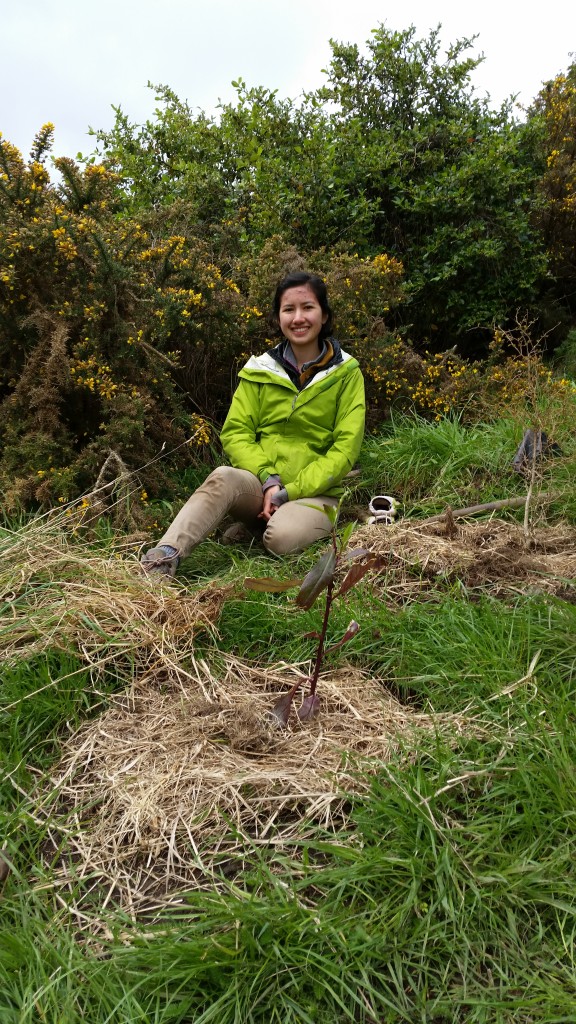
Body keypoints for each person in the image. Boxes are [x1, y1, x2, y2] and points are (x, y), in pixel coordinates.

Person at [141, 271, 366, 577]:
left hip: (317, 492)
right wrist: (269, 480)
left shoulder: (347, 373)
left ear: (324, 315)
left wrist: (290, 491)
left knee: (280, 539)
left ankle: (260, 527)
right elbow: (236, 433)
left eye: (308, 307)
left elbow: (345, 450)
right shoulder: (260, 370)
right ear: (278, 318)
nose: (298, 318)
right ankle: (163, 559)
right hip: (262, 484)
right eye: (289, 309)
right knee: (223, 477)